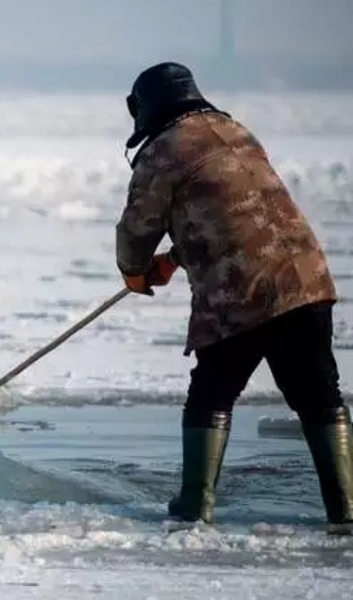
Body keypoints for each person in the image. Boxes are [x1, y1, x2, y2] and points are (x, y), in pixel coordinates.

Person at [115, 62, 351, 533]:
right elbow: (239, 210)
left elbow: (138, 228)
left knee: (211, 394)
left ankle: (193, 505)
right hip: (303, 278)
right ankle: (345, 507)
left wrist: (135, 270)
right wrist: (177, 255)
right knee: (317, 394)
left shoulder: (162, 150)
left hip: (241, 289)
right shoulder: (233, 130)